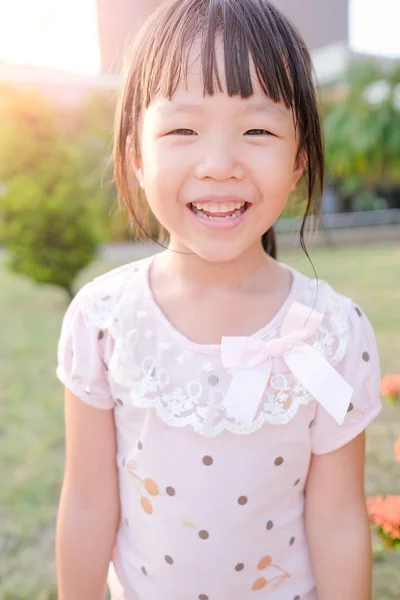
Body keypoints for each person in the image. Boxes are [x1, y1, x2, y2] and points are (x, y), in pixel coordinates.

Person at [55, 0, 382, 598]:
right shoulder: (104, 321)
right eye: (183, 129)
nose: (220, 165)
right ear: (135, 153)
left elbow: (337, 523)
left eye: (257, 130)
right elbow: (86, 503)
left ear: (300, 156)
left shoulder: (333, 331)